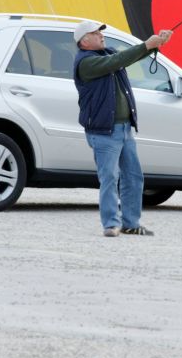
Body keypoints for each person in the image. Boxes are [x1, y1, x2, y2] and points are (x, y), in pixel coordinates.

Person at [73, 20, 172, 237]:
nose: (101, 35)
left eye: (100, 32)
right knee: (109, 178)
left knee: (133, 177)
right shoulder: (86, 63)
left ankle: (131, 223)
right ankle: (110, 224)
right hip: (104, 132)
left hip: (125, 129)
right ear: (84, 40)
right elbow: (118, 60)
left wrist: (156, 44)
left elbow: (127, 57)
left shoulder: (104, 54)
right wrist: (147, 45)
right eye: (96, 32)